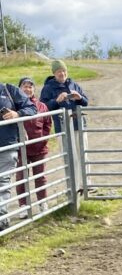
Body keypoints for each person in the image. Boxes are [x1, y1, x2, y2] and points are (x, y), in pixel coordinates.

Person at [0, 81, 37, 231]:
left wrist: (17, 114)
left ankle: (1, 222)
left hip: (7, 145)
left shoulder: (9, 90)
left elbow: (31, 108)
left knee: (2, 182)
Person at [15, 76, 51, 212]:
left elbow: (47, 124)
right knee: (21, 178)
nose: (27, 89)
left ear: (34, 89)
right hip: (20, 149)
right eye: (24, 86)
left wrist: (43, 140)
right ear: (19, 89)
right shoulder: (15, 105)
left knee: (40, 177)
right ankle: (23, 206)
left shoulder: (42, 106)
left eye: (30, 86)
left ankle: (42, 203)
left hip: (39, 148)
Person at [40, 59, 89, 132]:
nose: (62, 73)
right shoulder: (48, 88)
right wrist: (57, 101)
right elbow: (43, 108)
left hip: (79, 126)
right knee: (66, 143)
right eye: (59, 71)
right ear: (54, 73)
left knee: (81, 144)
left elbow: (86, 103)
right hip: (63, 129)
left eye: (64, 71)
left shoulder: (73, 84)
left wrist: (80, 98)